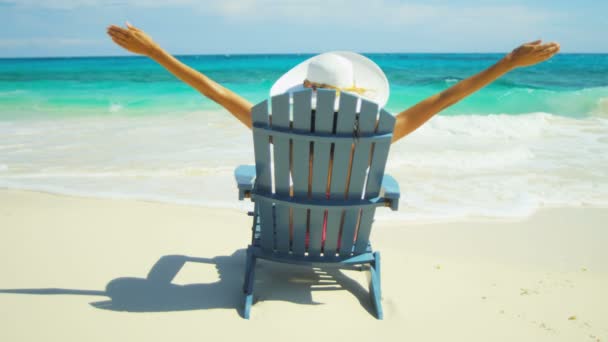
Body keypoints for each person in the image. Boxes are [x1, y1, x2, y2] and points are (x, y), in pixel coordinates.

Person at [106, 23, 559, 143]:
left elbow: (211, 89)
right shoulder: (381, 130)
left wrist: (155, 52)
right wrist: (506, 63)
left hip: (285, 227)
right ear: (359, 94)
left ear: (303, 88)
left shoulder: (269, 122)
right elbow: (447, 96)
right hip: (341, 232)